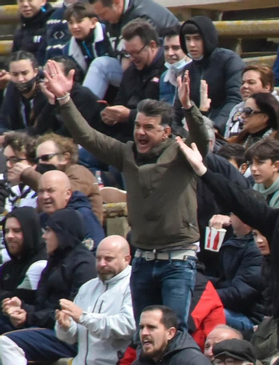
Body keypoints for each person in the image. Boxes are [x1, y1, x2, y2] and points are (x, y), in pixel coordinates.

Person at [39, 61, 210, 319]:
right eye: (137, 126)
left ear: (165, 132)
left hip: (178, 259)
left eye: (148, 127)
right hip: (142, 259)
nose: (140, 132)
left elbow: (201, 141)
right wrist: (64, 99)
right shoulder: (126, 153)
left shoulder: (181, 153)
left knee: (173, 333)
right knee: (143, 333)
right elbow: (88, 136)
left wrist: (188, 107)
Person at [27, 236, 132, 365]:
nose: (101, 264)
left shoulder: (132, 286)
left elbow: (126, 326)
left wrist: (83, 317)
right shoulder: (88, 287)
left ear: (126, 259)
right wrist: (65, 326)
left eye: (108, 259)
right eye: (98, 259)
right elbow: (72, 336)